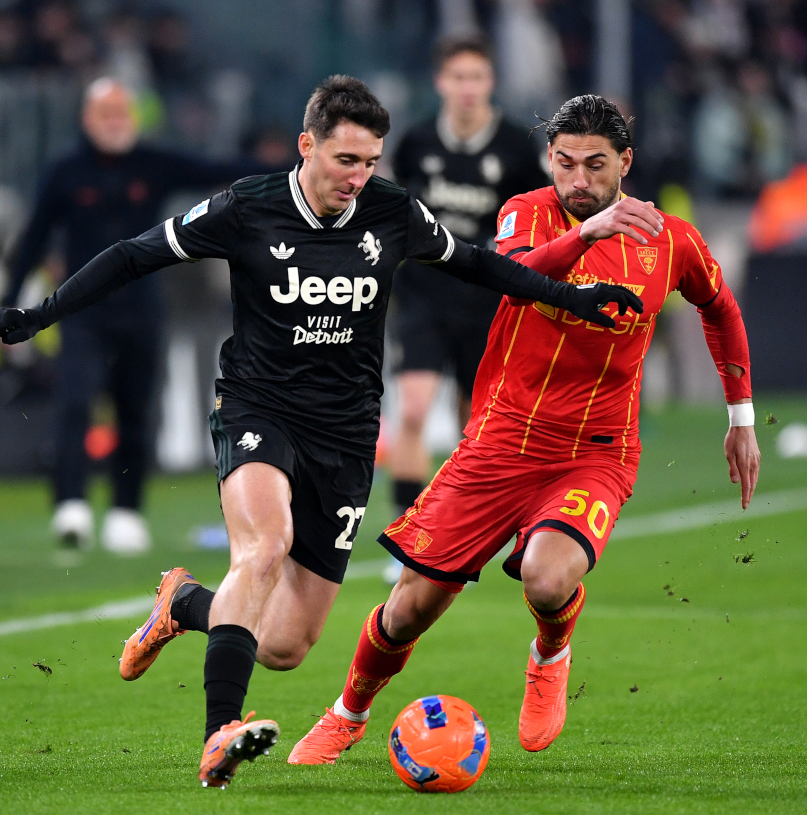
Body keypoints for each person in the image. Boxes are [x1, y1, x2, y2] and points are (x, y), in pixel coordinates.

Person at [0, 77, 641, 788]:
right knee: (265, 546)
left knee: (287, 644)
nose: (357, 178)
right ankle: (218, 732)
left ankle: (183, 603)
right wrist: (35, 314)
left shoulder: (392, 213)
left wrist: (574, 294)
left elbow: (478, 265)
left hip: (348, 433)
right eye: (345, 160)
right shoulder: (246, 208)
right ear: (307, 146)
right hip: (258, 407)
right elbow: (136, 252)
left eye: (369, 162)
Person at [288, 95, 760, 763]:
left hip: (594, 452)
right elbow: (513, 280)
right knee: (408, 609)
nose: (579, 180)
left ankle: (550, 653)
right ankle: (348, 712)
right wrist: (587, 235)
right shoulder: (525, 213)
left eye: (596, 166)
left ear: (625, 162)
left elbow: (720, 307)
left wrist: (740, 416)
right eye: (565, 163)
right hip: (499, 443)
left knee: (545, 575)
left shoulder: (670, 239)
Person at [0, 78, 258, 555]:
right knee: (75, 402)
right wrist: (9, 303)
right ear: (87, 119)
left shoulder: (154, 163)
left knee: (136, 411)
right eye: (106, 114)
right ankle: (70, 503)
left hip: (141, 310)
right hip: (81, 312)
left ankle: (126, 511)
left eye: (123, 114)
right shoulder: (65, 172)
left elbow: (218, 170)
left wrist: (298, 166)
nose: (116, 123)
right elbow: (33, 239)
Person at [385, 34, 548, 584]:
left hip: (487, 303)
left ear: (490, 83)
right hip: (425, 295)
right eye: (458, 77)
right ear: (441, 83)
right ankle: (405, 537)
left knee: (473, 426)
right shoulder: (415, 141)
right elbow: (393, 208)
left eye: (477, 77)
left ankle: (456, 533)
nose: (467, 88)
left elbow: (540, 214)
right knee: (410, 410)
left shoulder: (515, 149)